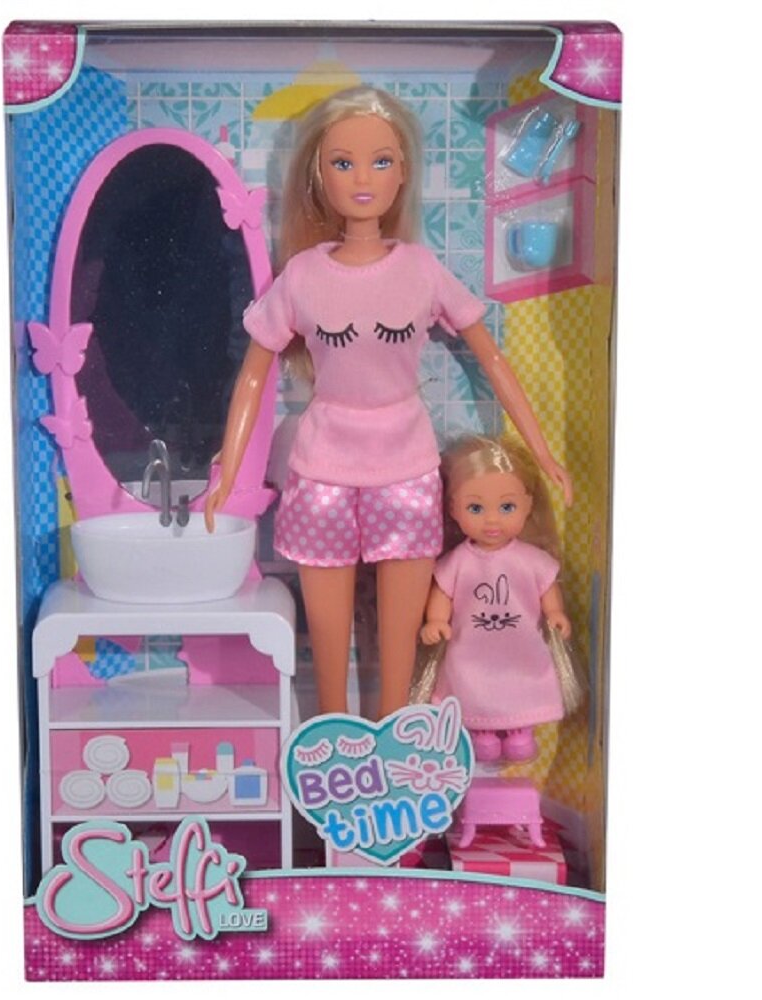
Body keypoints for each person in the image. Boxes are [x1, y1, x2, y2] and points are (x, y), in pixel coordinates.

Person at [206, 87, 571, 718]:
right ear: (318, 177)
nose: (362, 178)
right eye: (342, 162)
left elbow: (493, 360)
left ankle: (396, 746)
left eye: (381, 161)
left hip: (406, 470)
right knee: (328, 645)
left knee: (401, 648)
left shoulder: (421, 269)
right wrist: (228, 474)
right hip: (322, 471)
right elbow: (253, 377)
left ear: (403, 172)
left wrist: (542, 453)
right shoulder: (304, 275)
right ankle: (332, 748)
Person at [419, 435, 580, 762]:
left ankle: (521, 730)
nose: (492, 520)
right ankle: (482, 734)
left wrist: (556, 613)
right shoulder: (458, 561)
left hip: (520, 650)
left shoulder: (530, 559)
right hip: (471, 652)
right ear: (453, 509)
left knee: (522, 683)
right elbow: (442, 594)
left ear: (528, 505)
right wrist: (435, 621)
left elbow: (547, 589)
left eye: (507, 507)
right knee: (470, 683)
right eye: (475, 508)